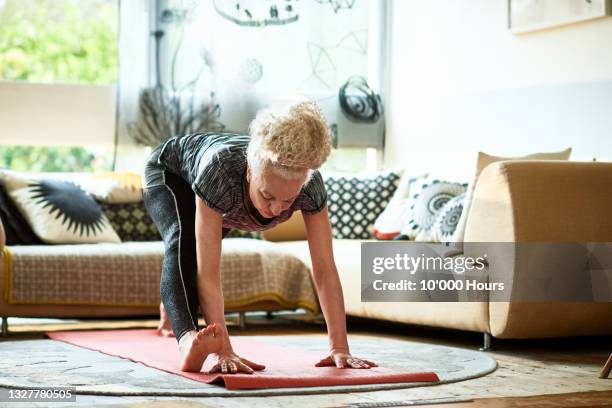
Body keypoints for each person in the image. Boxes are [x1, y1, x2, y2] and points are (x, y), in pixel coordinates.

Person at [142, 101, 377, 373]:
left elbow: (324, 268)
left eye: (289, 200)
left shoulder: (311, 186)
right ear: (250, 171)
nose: (276, 209)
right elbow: (209, 272)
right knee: (184, 241)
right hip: (170, 172)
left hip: (224, 199)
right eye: (267, 195)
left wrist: (340, 348)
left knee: (192, 252)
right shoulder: (220, 173)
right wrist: (224, 350)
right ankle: (188, 343)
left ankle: (169, 309)